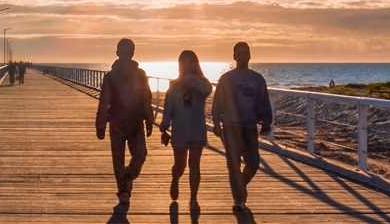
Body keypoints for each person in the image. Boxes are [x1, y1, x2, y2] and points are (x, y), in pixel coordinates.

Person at [212, 41, 272, 211]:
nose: (242, 56)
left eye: (245, 53)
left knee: (253, 162)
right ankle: (239, 200)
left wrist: (266, 122)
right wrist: (216, 122)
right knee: (233, 164)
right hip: (230, 126)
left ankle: (241, 185)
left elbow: (263, 102)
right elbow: (217, 103)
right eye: (239, 53)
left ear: (250, 55)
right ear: (234, 56)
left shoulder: (257, 79)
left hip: (249, 126)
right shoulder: (226, 79)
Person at [95, 38, 154, 205]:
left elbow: (146, 98)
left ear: (133, 53)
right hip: (117, 124)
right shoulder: (110, 77)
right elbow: (103, 102)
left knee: (140, 155)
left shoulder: (141, 74)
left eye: (129, 51)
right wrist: (100, 125)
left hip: (136, 123)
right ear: (117, 53)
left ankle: (128, 176)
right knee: (118, 160)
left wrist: (149, 120)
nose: (126, 55)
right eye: (123, 51)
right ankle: (123, 191)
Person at [159, 50, 214, 210]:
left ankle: (193, 199)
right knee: (180, 165)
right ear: (180, 64)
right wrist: (164, 124)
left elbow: (207, 90)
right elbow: (169, 107)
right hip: (180, 131)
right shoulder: (173, 85)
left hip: (197, 130)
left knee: (194, 164)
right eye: (184, 62)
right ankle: (175, 178)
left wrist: (190, 80)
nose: (188, 65)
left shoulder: (202, 83)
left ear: (196, 64)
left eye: (191, 61)